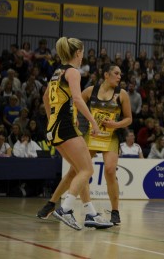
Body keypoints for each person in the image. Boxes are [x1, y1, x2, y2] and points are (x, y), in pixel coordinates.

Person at [38, 63, 132, 226]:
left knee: (110, 170)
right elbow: (75, 102)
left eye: (120, 74)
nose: (119, 76)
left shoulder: (122, 94)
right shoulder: (90, 91)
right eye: (116, 73)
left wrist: (115, 125)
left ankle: (115, 211)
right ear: (106, 75)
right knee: (75, 171)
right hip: (92, 135)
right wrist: (73, 117)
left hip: (111, 137)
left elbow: (129, 119)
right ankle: (51, 204)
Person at [38, 37, 112, 230]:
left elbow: (46, 97)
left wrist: (50, 119)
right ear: (78, 53)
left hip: (53, 128)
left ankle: (90, 214)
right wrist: (93, 122)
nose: (83, 57)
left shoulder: (57, 72)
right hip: (65, 127)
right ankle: (66, 209)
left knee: (78, 170)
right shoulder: (73, 72)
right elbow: (78, 100)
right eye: (83, 53)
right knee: (87, 170)